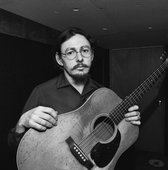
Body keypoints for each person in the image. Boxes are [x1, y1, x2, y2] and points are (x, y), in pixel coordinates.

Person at [8, 27, 141, 168]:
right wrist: (21, 123)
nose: (79, 58)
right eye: (70, 52)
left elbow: (112, 133)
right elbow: (15, 148)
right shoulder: (42, 92)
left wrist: (129, 120)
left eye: (85, 51)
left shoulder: (103, 93)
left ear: (92, 55)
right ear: (60, 59)